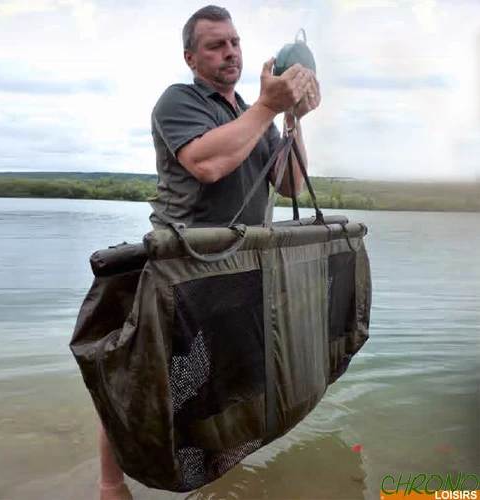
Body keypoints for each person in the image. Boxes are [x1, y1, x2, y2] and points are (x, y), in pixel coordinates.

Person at [98, 5, 320, 500]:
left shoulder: (252, 115)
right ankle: (111, 485)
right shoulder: (178, 101)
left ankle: (208, 473)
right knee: (138, 379)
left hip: (236, 268)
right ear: (191, 58)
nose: (230, 53)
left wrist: (291, 117)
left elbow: (290, 183)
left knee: (217, 381)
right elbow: (207, 163)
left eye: (235, 43)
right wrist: (267, 107)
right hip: (178, 270)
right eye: (216, 45)